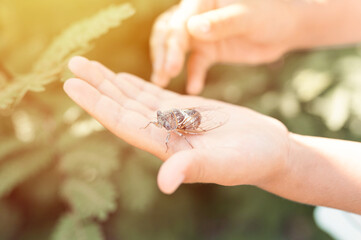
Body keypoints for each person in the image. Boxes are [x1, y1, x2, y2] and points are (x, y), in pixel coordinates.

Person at [63, 0, 361, 221]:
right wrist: (292, 18)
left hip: (192, 122)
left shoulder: (176, 128)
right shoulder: (164, 119)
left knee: (184, 129)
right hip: (188, 113)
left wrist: (290, 159)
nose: (162, 124)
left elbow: (179, 132)